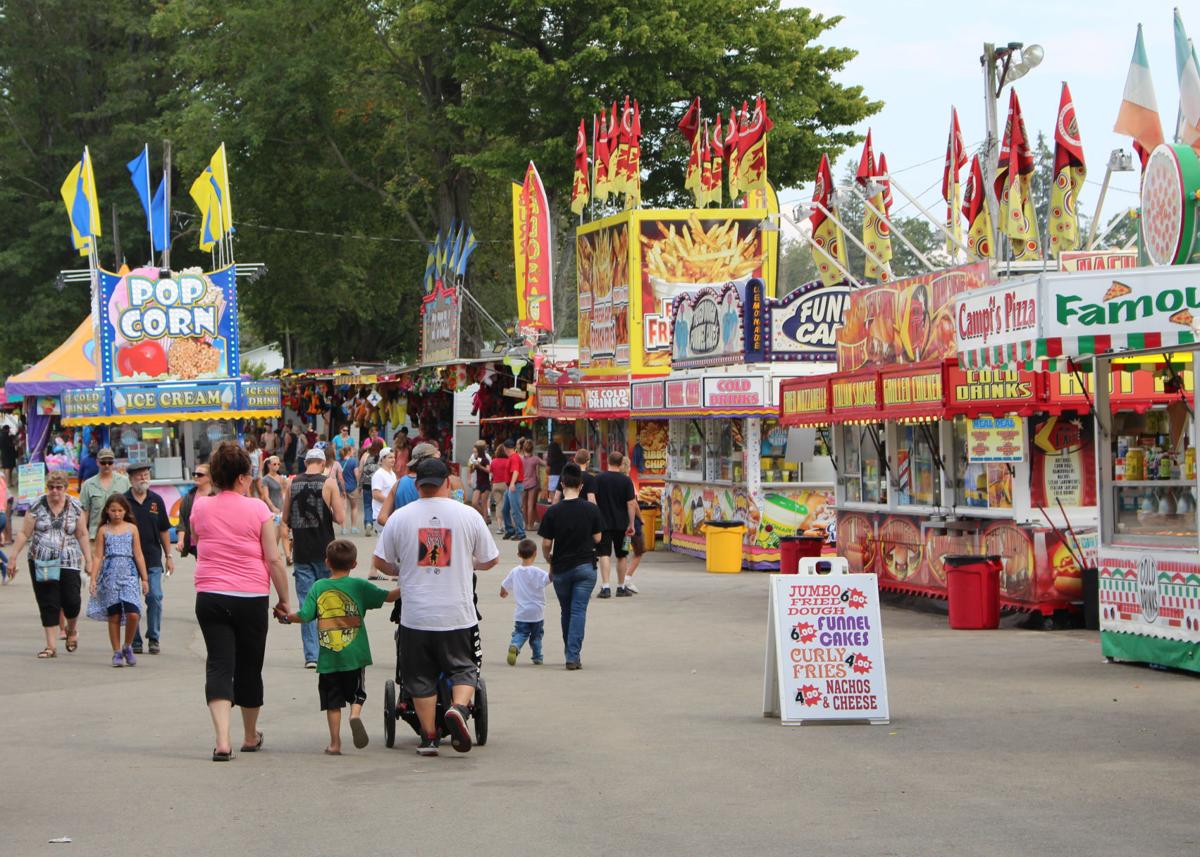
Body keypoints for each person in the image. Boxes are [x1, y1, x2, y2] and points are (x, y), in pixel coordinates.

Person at [372, 458, 499, 756]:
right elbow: (491, 559)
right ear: (447, 483)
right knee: (465, 668)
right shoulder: (468, 515)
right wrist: (469, 564)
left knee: (419, 675)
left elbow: (380, 562)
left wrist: (403, 571)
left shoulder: (400, 518)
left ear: (417, 486)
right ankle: (457, 709)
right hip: (457, 613)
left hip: (415, 615)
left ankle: (429, 738)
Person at [190, 441, 290, 761]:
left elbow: (198, 538)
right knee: (250, 666)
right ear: (244, 478)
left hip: (210, 594)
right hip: (250, 596)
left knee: (219, 664)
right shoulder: (258, 509)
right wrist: (284, 599)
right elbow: (273, 560)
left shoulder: (200, 506)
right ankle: (249, 735)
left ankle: (222, 740)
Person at [280, 539, 400, 754]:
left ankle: (335, 743)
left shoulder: (319, 587)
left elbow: (305, 616)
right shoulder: (359, 586)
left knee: (332, 702)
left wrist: (287, 618)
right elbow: (388, 597)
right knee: (357, 693)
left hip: (329, 658)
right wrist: (407, 585)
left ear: (327, 562)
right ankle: (355, 715)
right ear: (354, 564)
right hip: (355, 655)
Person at [8, 470, 90, 657]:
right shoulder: (37, 505)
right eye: (51, 487)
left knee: (72, 600)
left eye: (59, 488)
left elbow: (82, 534)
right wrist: (13, 557)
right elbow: (24, 533)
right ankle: (51, 646)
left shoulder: (75, 506)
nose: (54, 492)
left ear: (65, 488)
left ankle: (72, 629)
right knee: (48, 601)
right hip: (41, 559)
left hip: (69, 559)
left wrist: (89, 559)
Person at [283, 447, 345, 669]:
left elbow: (285, 517)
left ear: (306, 462)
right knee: (330, 602)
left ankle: (311, 655)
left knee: (306, 603)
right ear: (323, 462)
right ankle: (332, 650)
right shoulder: (328, 483)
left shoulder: (292, 483)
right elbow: (340, 517)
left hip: (301, 552)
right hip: (326, 552)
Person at [537, 463, 602, 670]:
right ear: (581, 486)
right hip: (585, 566)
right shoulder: (591, 510)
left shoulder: (553, 511)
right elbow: (598, 538)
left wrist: (549, 558)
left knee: (566, 611)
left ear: (562, 484)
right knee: (578, 610)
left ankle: (570, 652)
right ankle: (573, 655)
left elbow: (546, 543)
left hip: (562, 567)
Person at [87, 494, 149, 667]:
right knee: (114, 615)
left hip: (128, 572)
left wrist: (144, 578)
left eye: (120, 510)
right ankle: (116, 652)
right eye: (113, 510)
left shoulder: (132, 528)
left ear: (125, 511)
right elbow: (98, 556)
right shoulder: (103, 530)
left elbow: (138, 554)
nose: (116, 514)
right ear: (107, 511)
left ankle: (127, 645)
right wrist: (93, 579)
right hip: (109, 575)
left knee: (133, 613)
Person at [125, 461, 174, 654]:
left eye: (145, 474)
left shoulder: (156, 500)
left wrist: (169, 556)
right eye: (139, 475)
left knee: (154, 596)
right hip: (127, 559)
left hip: (153, 557)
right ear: (131, 479)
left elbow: (163, 530)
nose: (143, 478)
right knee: (131, 600)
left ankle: (153, 637)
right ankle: (134, 640)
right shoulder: (123, 501)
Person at [594, 451, 639, 599]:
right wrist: (631, 524)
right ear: (621, 464)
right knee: (622, 555)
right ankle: (621, 587)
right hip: (623, 526)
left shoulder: (599, 478)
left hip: (603, 524)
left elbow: (593, 499)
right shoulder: (626, 481)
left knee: (604, 554)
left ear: (608, 462)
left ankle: (606, 587)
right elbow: (631, 503)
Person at [500, 539, 549, 666]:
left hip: (521, 613)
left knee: (520, 633)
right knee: (536, 637)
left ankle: (515, 645)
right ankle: (537, 657)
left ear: (518, 555)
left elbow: (504, 585)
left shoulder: (515, 571)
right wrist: (552, 564)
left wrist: (503, 592)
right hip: (537, 612)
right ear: (535, 553)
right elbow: (549, 578)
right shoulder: (537, 572)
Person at [375, 441, 439, 526]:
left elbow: (381, 518)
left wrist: (400, 529)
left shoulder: (399, 483)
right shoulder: (439, 483)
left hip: (404, 536)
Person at [79, 448, 131, 541]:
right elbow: (84, 512)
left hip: (121, 536)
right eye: (103, 462)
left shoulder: (125, 482)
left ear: (113, 463)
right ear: (97, 462)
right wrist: (83, 536)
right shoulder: (88, 484)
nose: (107, 465)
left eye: (110, 462)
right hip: (95, 536)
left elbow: (130, 509)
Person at [619, 455, 646, 592]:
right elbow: (633, 503)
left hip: (620, 522)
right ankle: (627, 578)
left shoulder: (615, 481)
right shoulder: (628, 482)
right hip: (632, 522)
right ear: (628, 467)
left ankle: (622, 579)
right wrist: (640, 518)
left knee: (624, 551)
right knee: (639, 550)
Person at [177, 463, 213, 561]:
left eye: (200, 474)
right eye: (194, 474)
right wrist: (180, 541)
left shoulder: (216, 495)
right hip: (196, 544)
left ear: (209, 477)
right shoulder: (189, 497)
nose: (196, 476)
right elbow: (182, 521)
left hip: (214, 542)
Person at [259, 456, 292, 564]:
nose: (277, 466)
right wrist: (272, 507)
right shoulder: (265, 479)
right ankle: (283, 556)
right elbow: (266, 496)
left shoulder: (281, 477)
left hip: (283, 508)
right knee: (280, 534)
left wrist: (285, 485)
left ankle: (286, 556)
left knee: (281, 534)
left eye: (278, 464)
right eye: (274, 464)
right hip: (273, 510)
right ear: (268, 465)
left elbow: (285, 493)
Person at [502, 440, 526, 540]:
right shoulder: (513, 457)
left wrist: (512, 483)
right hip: (511, 486)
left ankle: (520, 532)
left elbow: (515, 471)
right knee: (505, 510)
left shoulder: (514, 458)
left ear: (505, 448)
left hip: (514, 486)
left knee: (515, 510)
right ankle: (510, 530)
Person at [369, 446, 397, 527]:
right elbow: (376, 495)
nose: (393, 460)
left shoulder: (392, 474)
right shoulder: (379, 474)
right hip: (380, 515)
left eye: (394, 457)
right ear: (382, 460)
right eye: (390, 457)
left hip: (390, 515)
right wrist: (391, 502)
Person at [521, 438, 545, 530]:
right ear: (532, 449)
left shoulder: (521, 459)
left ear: (524, 448)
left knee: (524, 505)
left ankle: (526, 524)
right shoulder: (535, 459)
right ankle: (530, 525)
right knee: (530, 504)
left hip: (522, 483)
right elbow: (545, 464)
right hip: (532, 483)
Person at [358, 441, 381, 538]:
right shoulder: (381, 456)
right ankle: (377, 526)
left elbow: (360, 470)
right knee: (378, 505)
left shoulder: (365, 455)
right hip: (378, 485)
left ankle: (368, 523)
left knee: (367, 505)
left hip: (367, 484)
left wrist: (359, 485)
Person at [488, 444, 510, 534]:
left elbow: (491, 474)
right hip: (506, 484)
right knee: (507, 505)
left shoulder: (493, 461)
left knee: (498, 505)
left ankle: (500, 527)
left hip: (496, 485)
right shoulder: (508, 461)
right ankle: (508, 525)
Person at [468, 440, 491, 522]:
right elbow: (471, 471)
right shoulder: (477, 459)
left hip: (485, 483)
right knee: (474, 503)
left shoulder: (485, 459)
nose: (474, 453)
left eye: (476, 451)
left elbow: (488, 470)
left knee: (484, 503)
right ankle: (485, 517)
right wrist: (472, 467)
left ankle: (485, 520)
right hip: (478, 483)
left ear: (480, 451)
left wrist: (480, 466)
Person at [339, 445, 361, 534]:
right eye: (352, 450)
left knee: (343, 509)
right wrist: (359, 484)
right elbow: (356, 474)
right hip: (352, 487)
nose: (354, 452)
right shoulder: (353, 461)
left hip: (342, 488)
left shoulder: (339, 462)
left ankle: (343, 528)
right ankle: (353, 527)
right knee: (354, 508)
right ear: (349, 452)